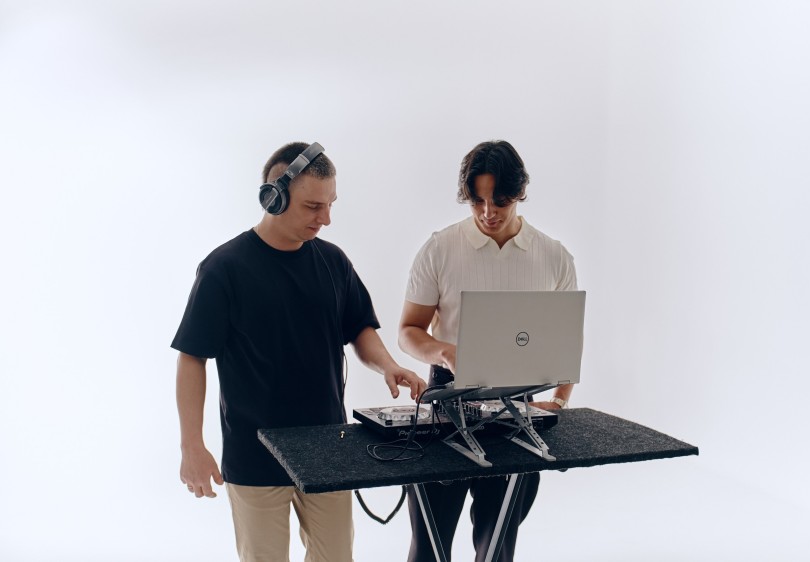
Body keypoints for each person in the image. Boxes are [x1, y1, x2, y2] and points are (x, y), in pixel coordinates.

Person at [173, 142, 426, 562]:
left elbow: (359, 327)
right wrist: (191, 446)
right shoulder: (223, 269)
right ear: (273, 197)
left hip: (329, 450)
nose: (325, 219)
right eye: (313, 206)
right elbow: (192, 356)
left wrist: (387, 364)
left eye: (330, 205)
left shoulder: (334, 261)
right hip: (255, 456)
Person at [398, 140, 578, 562]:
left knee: (497, 546)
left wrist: (559, 401)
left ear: (520, 192)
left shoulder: (554, 256)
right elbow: (408, 331)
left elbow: (567, 340)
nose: (487, 212)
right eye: (477, 201)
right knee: (428, 546)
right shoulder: (440, 248)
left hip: (519, 408)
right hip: (447, 403)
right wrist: (446, 352)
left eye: (499, 201)